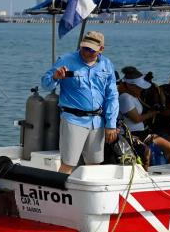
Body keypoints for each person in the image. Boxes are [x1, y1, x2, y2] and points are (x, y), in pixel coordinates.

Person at [41, 30, 119, 174]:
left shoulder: (107, 64)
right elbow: (45, 84)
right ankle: (61, 194)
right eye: (84, 47)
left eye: (91, 49)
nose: (86, 52)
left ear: (101, 49)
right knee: (68, 164)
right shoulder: (66, 60)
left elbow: (112, 96)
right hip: (73, 119)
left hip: (97, 121)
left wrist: (111, 124)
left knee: (94, 165)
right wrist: (55, 77)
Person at [116, 68, 170, 165]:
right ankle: (146, 175)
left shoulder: (135, 96)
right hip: (131, 135)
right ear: (130, 85)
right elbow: (136, 119)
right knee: (146, 153)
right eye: (139, 87)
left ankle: (164, 172)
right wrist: (153, 113)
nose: (142, 89)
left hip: (143, 133)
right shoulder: (125, 98)